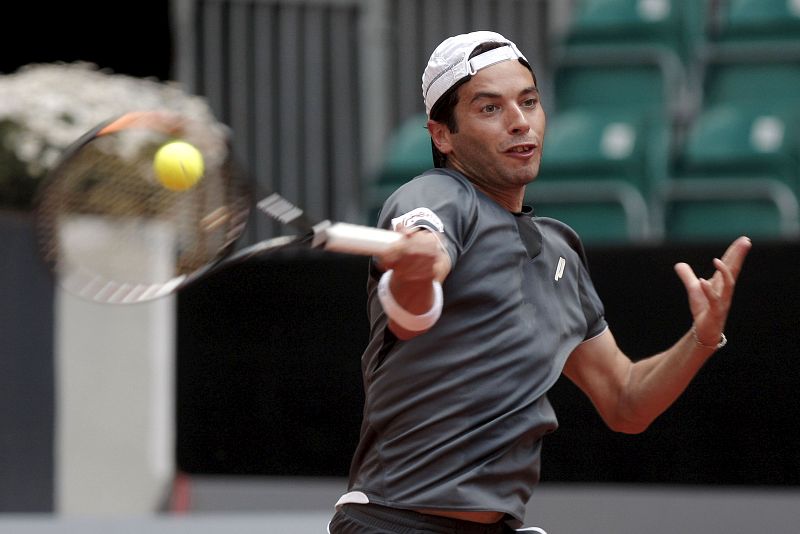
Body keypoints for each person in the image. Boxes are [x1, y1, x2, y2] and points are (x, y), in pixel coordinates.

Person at [328, 30, 751, 533]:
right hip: (394, 523)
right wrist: (423, 267)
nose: (519, 121)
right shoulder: (438, 194)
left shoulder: (559, 253)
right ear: (442, 134)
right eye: (489, 109)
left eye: (529, 102)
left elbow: (625, 402)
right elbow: (418, 293)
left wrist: (702, 338)